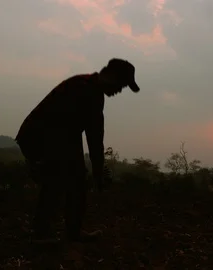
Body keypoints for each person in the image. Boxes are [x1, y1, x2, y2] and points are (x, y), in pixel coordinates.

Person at [15, 58, 140, 244]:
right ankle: (41, 234)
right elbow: (91, 137)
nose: (119, 91)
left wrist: (95, 170)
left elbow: (85, 136)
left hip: (50, 136)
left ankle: (69, 232)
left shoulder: (89, 87)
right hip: (40, 136)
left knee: (74, 178)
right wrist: (98, 173)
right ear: (111, 76)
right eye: (121, 85)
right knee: (58, 178)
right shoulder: (86, 90)